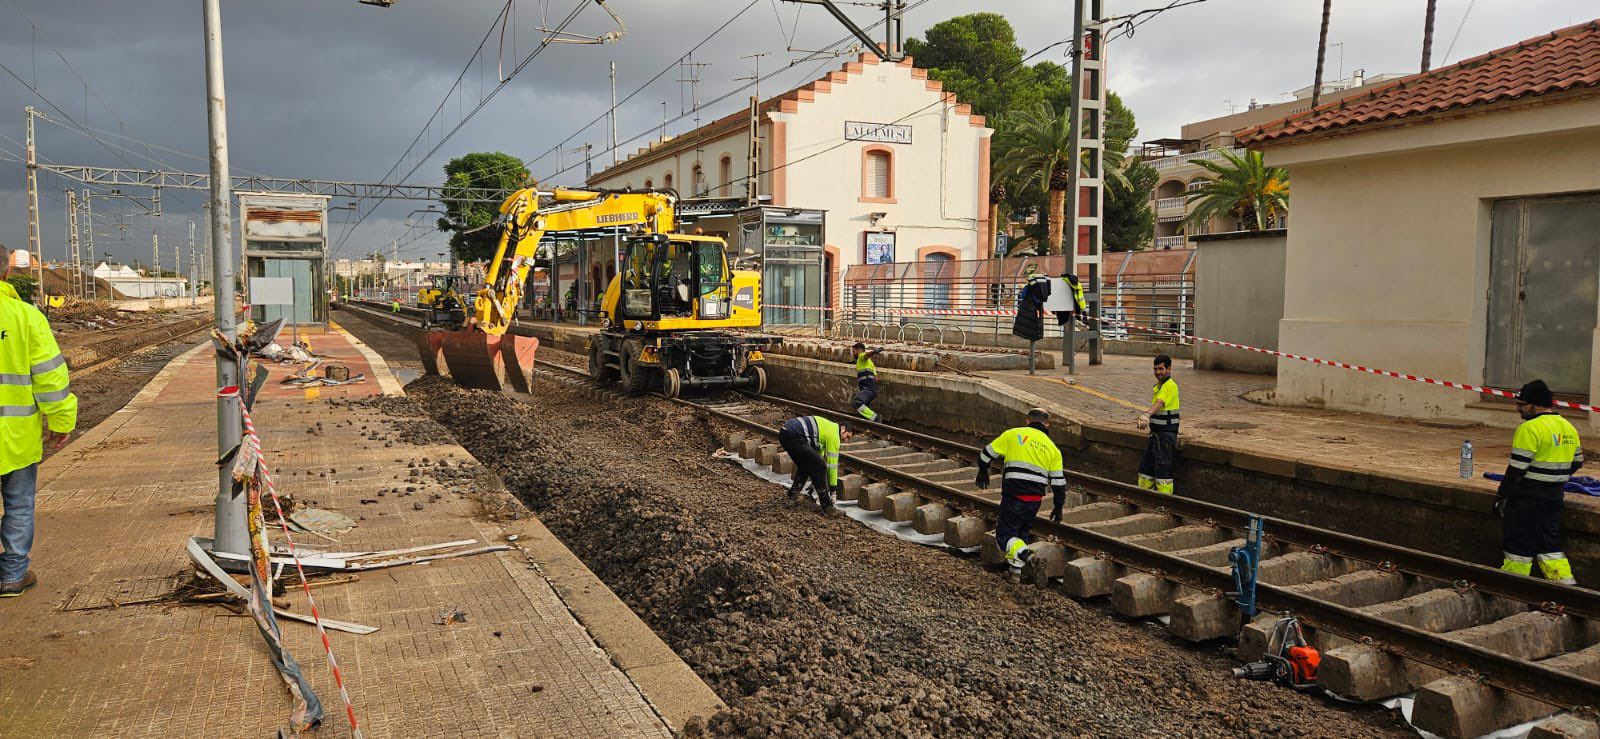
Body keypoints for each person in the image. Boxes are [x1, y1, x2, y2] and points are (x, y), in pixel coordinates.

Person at [0, 245, 77, 598]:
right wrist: (61, 421)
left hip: (16, 436)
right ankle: (13, 576)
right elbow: (49, 375)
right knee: (17, 505)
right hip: (14, 437)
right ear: (6, 272)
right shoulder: (25, 316)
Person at [1495, 380, 1580, 584]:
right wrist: (1555, 477)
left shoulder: (1529, 429)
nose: (1518, 409)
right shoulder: (1568, 427)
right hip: (1554, 497)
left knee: (1518, 548)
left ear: (1535, 404)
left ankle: (1513, 587)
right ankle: (1565, 588)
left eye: (1521, 405)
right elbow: (1578, 461)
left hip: (1527, 498)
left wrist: (1501, 496)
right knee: (1550, 546)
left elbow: (1516, 469)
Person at [976, 408, 1067, 570]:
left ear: (1027, 421)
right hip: (1034, 500)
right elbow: (1059, 484)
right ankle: (1015, 574)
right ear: (1047, 425)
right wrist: (1058, 507)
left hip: (1014, 495)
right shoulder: (1053, 449)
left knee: (1005, 536)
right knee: (1021, 535)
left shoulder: (1013, 434)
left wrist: (983, 471)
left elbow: (985, 454)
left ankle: (1028, 556)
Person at [777, 415, 852, 515]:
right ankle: (828, 508)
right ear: (843, 429)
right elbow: (831, 466)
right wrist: (833, 490)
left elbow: (816, 457)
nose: (846, 440)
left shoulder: (827, 428)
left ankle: (792, 496)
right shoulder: (834, 435)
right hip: (796, 435)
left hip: (785, 433)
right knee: (821, 467)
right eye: (847, 436)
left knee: (805, 466)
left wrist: (815, 481)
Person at [1135, 354, 1180, 495]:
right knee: (1145, 470)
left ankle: (1164, 503)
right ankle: (1145, 498)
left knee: (1163, 472)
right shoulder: (1159, 386)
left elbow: (1159, 403)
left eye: (1161, 369)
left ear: (1169, 369)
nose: (1158, 372)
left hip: (1166, 436)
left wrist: (1146, 415)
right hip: (1156, 435)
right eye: (1155, 369)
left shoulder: (1170, 386)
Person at [852, 342, 886, 422]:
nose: (853, 354)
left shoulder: (861, 356)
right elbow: (876, 378)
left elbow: (866, 355)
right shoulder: (870, 363)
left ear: (859, 350)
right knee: (864, 407)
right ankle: (869, 423)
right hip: (870, 389)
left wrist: (874, 352)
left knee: (857, 402)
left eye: (854, 351)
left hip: (868, 388)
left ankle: (876, 418)